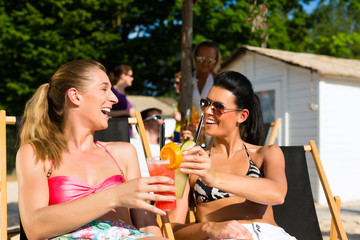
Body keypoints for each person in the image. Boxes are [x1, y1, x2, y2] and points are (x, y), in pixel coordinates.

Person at [16, 60, 175, 239]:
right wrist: (114, 196)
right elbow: (34, 227)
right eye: (104, 89)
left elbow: (145, 223)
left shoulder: (123, 153)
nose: (114, 98)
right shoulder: (38, 153)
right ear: (75, 96)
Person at [169, 71, 296, 240]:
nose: (207, 112)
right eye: (206, 103)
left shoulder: (265, 154)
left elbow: (277, 194)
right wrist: (209, 228)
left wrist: (214, 178)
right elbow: (171, 229)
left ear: (242, 116)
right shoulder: (193, 162)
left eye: (218, 107)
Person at [130, 108, 164, 177]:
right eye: (158, 117)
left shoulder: (168, 146)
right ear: (144, 123)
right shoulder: (131, 144)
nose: (162, 121)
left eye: (163, 118)